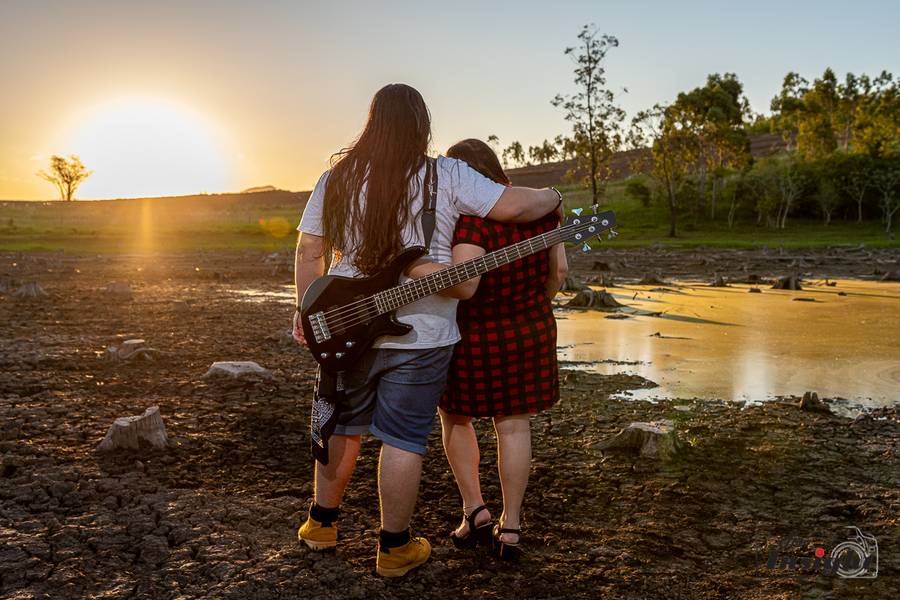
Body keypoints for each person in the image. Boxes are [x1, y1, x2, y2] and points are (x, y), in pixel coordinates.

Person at [292, 85, 563, 577]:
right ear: (422, 125)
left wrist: (309, 312)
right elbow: (513, 207)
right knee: (403, 437)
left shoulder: (336, 178)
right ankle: (393, 547)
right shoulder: (448, 173)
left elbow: (310, 251)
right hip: (425, 332)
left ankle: (322, 525)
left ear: (372, 123)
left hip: (345, 322)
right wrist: (554, 194)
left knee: (342, 423)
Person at [438, 138, 568, 560]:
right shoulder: (545, 214)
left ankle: (474, 510)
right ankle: (510, 527)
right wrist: (535, 302)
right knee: (513, 426)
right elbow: (560, 272)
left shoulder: (471, 221)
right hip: (530, 327)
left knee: (456, 417)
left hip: (474, 333)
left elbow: (465, 283)